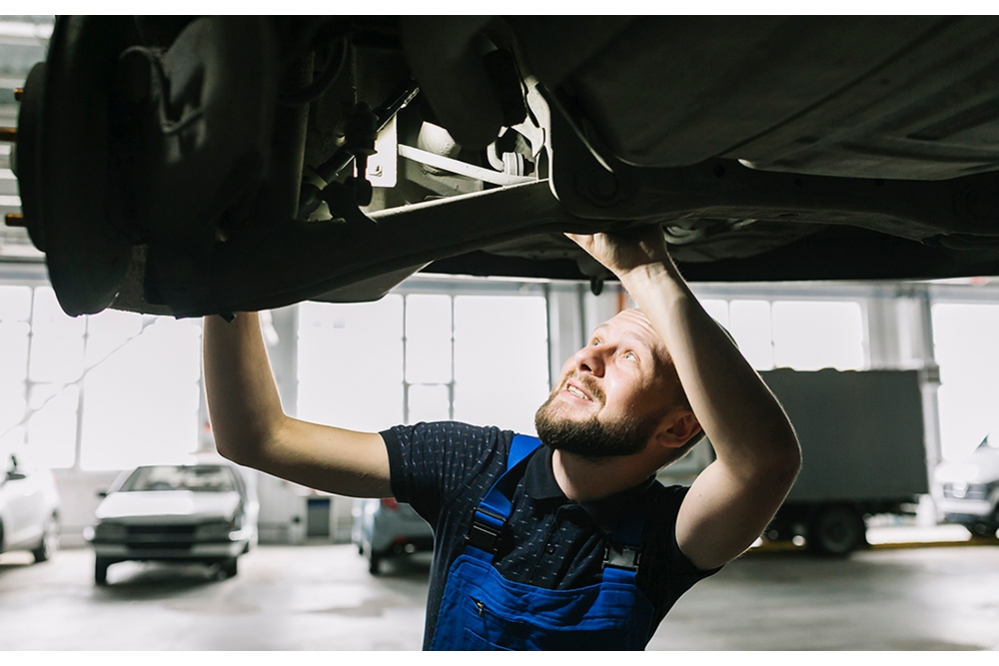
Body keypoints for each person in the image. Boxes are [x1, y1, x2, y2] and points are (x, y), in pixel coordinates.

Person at [202, 227, 801, 650]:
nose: (587, 359)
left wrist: (646, 270)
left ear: (677, 427)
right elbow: (258, 438)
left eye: (627, 357)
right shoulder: (471, 465)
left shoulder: (668, 538)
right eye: (595, 339)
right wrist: (231, 280)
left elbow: (764, 463)